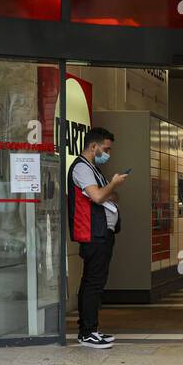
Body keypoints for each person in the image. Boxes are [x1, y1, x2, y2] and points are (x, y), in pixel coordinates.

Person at [69, 127, 128, 349]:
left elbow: (109, 196)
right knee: (93, 282)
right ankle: (87, 332)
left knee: (94, 281)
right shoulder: (82, 169)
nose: (108, 153)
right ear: (94, 147)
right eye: (106, 148)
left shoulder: (93, 168)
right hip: (93, 234)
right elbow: (98, 196)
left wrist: (109, 190)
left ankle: (90, 329)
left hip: (101, 233)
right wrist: (112, 184)